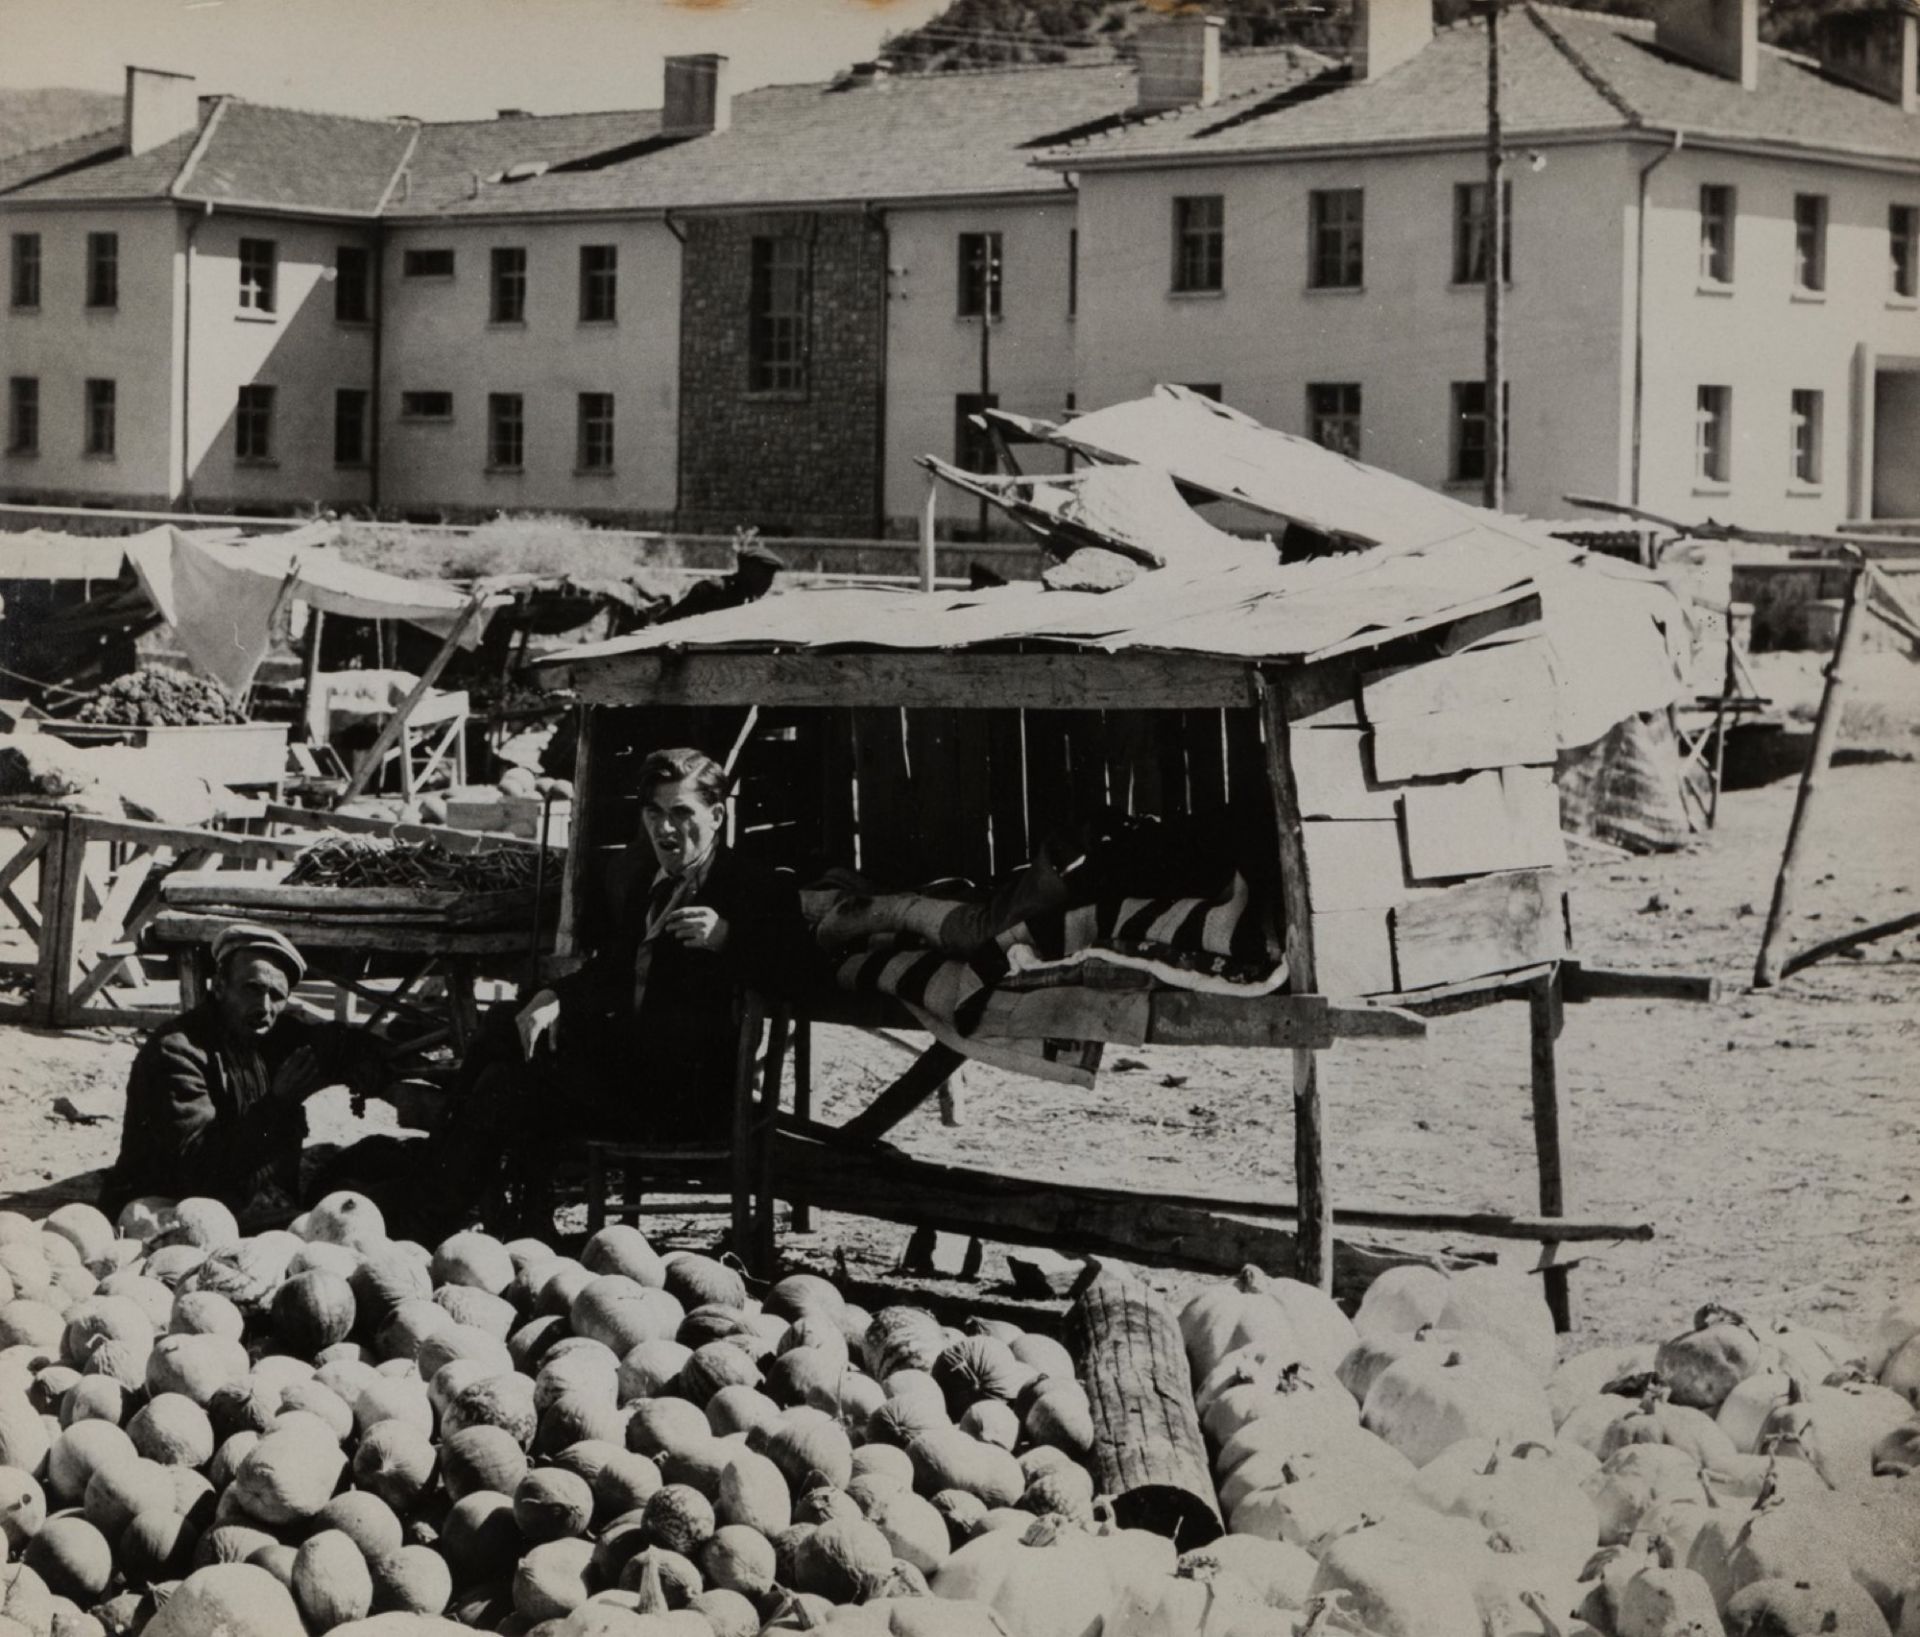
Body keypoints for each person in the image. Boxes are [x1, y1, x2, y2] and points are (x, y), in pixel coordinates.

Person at [429, 747, 821, 1231]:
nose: (666, 829)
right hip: (630, 1075)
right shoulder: (646, 882)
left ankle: (439, 1203)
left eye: (682, 813)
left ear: (716, 815)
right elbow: (611, 970)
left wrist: (726, 940)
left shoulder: (753, 888)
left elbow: (803, 976)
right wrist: (553, 998)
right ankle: (485, 1210)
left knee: (507, 1082)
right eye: (654, 813)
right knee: (506, 1034)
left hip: (690, 1099)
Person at [101, 924, 392, 1225]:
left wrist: (369, 1064)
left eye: (277, 995)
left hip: (243, 1200)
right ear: (220, 986)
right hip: (170, 1206)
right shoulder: (177, 1051)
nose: (264, 1007)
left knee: (378, 1160)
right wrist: (277, 1105)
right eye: (252, 988)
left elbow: (338, 1042)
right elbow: (197, 1170)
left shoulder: (274, 1036)